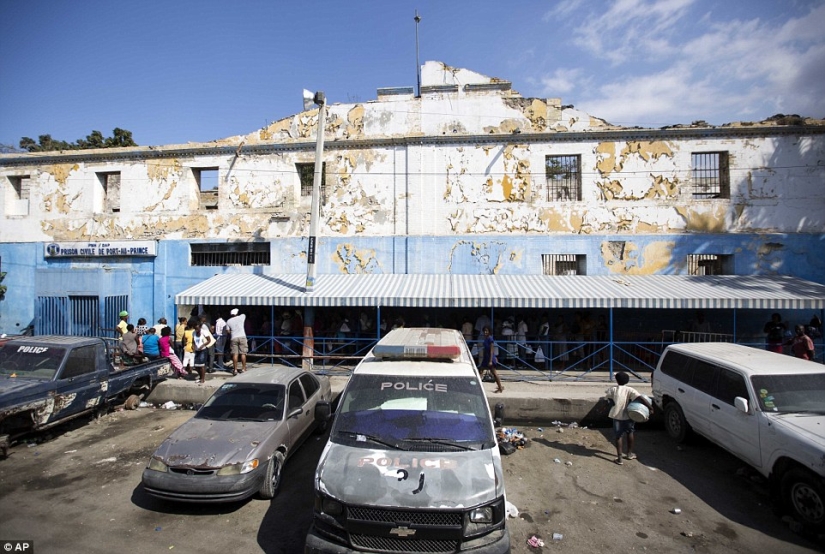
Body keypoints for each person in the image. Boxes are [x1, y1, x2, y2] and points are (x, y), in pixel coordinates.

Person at [604, 371, 653, 465]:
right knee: (630, 432)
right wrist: (650, 408)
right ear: (627, 381)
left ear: (617, 380)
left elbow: (608, 400)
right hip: (629, 415)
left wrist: (604, 408)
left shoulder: (613, 389)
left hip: (617, 416)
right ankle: (629, 454)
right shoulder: (630, 390)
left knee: (618, 436)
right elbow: (641, 398)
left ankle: (619, 459)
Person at [480, 326, 504, 393]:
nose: (485, 332)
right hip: (486, 357)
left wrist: (491, 360)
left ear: (489, 332)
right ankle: (478, 386)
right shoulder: (486, 338)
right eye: (484, 331)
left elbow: (491, 351)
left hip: (489, 358)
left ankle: (500, 388)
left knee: (494, 373)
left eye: (487, 331)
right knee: (481, 371)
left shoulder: (490, 339)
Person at [225, 307, 248, 375]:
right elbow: (244, 314)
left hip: (234, 337)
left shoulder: (228, 321)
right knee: (243, 353)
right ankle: (243, 368)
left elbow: (228, 331)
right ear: (237, 313)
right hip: (242, 336)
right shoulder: (241, 317)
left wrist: (232, 331)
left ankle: (235, 370)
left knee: (235, 354)